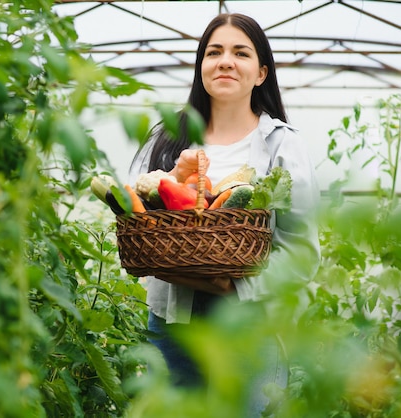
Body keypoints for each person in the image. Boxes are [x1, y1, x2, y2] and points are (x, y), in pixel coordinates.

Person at [128, 12, 321, 415]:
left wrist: (236, 288)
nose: (225, 61)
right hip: (171, 321)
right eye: (214, 52)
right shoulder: (169, 138)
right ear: (201, 68)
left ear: (261, 72)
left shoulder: (282, 146)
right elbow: (144, 223)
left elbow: (301, 252)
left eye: (240, 53)